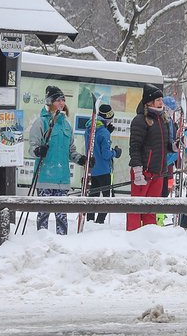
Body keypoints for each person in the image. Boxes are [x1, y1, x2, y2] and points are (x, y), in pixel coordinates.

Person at [26, 86, 86, 234]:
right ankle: (42, 240)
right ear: (50, 102)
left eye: (63, 100)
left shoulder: (66, 125)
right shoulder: (41, 122)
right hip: (45, 176)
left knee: (61, 215)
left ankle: (62, 242)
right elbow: (31, 148)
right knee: (43, 213)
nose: (61, 103)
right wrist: (38, 150)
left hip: (62, 178)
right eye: (57, 100)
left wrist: (81, 160)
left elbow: (71, 151)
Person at [128, 84, 175, 230]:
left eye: (161, 99)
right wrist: (137, 170)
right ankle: (133, 234)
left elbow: (163, 145)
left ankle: (149, 235)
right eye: (158, 100)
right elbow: (135, 146)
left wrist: (174, 146)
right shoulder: (140, 120)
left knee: (151, 207)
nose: (161, 102)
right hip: (143, 171)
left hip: (159, 171)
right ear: (149, 102)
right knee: (136, 208)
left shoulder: (163, 120)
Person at [86, 103, 121, 224]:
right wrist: (115, 152)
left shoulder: (90, 128)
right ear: (108, 118)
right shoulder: (104, 133)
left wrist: (107, 132)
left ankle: (90, 220)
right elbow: (105, 154)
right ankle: (100, 221)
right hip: (105, 170)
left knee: (93, 196)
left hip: (92, 168)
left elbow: (94, 146)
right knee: (107, 198)